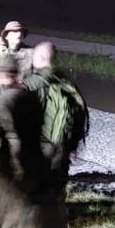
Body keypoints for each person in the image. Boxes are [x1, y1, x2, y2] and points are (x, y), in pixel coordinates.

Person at [24, 41, 90, 199]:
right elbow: (81, 118)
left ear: (39, 58)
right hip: (62, 147)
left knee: (34, 190)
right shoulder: (68, 85)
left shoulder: (31, 84)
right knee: (57, 189)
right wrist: (73, 146)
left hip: (39, 148)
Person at [0, 52, 48, 195]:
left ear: (0, 74)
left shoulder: (3, 101)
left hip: (11, 163)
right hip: (34, 160)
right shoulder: (31, 96)